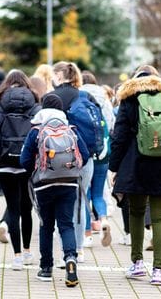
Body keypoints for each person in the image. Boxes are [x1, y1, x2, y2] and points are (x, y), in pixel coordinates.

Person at [109, 65, 161, 286]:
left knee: (136, 213)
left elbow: (120, 137)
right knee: (160, 218)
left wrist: (114, 167)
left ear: (135, 80)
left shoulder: (129, 100)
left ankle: (137, 264)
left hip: (136, 165)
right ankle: (159, 270)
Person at [20, 93, 90, 287]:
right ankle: (70, 260)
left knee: (46, 226)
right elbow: (84, 155)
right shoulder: (71, 129)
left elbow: (24, 160)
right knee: (66, 225)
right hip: (69, 183)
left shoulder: (36, 130)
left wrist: (37, 171)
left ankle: (46, 268)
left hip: (44, 185)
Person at [0, 70, 40, 270]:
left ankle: (16, 256)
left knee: (13, 209)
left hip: (5, 162)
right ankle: (27, 251)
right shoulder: (34, 103)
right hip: (27, 163)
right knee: (27, 208)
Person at [51, 61, 95, 261]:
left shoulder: (53, 98)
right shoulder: (86, 96)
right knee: (79, 202)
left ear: (59, 76)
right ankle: (79, 249)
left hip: (58, 160)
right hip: (85, 158)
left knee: (60, 204)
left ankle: (66, 251)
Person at [80, 71, 115, 246]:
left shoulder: (78, 98)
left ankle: (87, 235)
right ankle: (103, 220)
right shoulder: (104, 96)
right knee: (98, 194)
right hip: (102, 152)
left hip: (86, 153)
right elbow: (112, 123)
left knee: (85, 194)